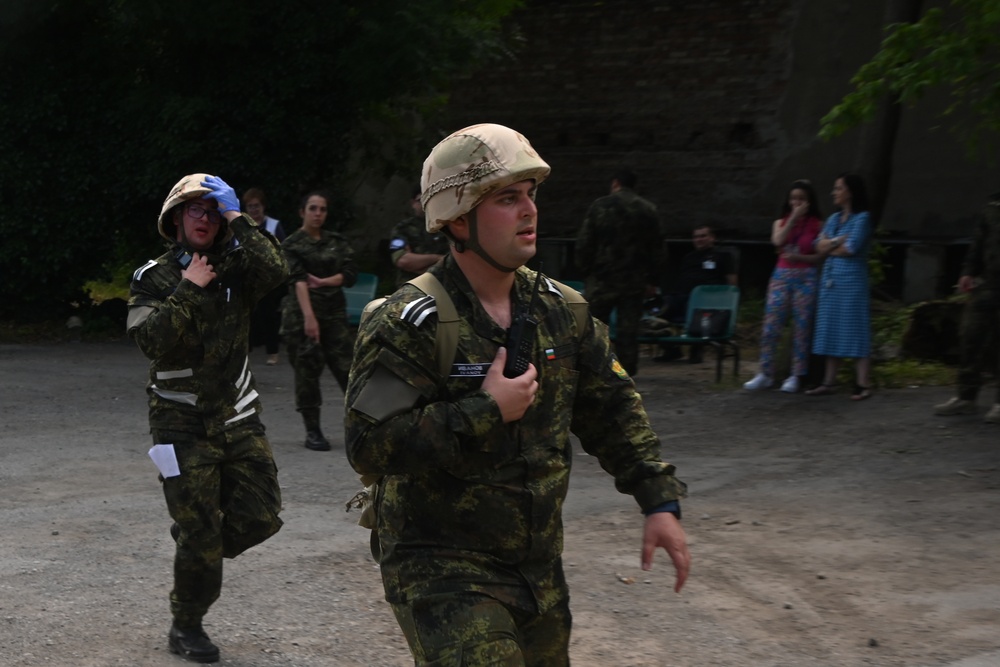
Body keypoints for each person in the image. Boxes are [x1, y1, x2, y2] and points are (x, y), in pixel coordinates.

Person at [345, 123, 690, 666]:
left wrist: (658, 500)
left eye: (530, 195)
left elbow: (612, 409)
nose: (529, 210)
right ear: (457, 217)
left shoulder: (563, 310)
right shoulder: (410, 323)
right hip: (440, 566)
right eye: (507, 198)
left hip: (536, 567)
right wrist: (485, 410)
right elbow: (370, 443)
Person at [127, 174, 286, 663]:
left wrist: (240, 218)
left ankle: (197, 542)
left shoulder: (239, 265)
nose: (204, 217)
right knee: (201, 532)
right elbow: (150, 340)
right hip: (179, 425)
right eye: (194, 209)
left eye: (213, 209)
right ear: (175, 219)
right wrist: (190, 288)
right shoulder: (152, 276)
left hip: (239, 415)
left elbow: (277, 269)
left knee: (260, 517)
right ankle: (187, 622)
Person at [280, 190, 358, 451]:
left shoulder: (336, 241)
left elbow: (350, 273)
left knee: (349, 371)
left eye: (322, 209)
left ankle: (360, 428)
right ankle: (313, 431)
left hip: (335, 314)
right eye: (313, 208)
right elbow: (298, 280)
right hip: (302, 316)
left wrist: (325, 281)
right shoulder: (291, 245)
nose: (318, 214)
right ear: (302, 212)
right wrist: (309, 318)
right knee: (307, 373)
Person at [574, 168, 662, 376]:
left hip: (603, 279)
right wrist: (653, 279)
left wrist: (585, 270)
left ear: (615, 183)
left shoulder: (600, 206)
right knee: (628, 331)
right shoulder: (648, 210)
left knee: (594, 327)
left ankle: (592, 370)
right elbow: (657, 248)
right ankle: (625, 374)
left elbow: (585, 242)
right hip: (634, 281)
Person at [744, 180, 824, 393]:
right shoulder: (781, 221)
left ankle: (796, 375)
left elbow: (820, 256)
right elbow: (777, 241)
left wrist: (800, 257)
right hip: (782, 274)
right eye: (793, 199)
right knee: (771, 324)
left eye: (801, 199)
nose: (796, 203)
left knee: (801, 327)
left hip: (806, 276)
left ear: (809, 202)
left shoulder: (818, 224)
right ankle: (765, 372)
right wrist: (793, 219)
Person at [804, 173, 874, 400]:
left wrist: (830, 246)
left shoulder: (862, 218)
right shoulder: (834, 219)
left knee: (854, 327)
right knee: (831, 328)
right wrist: (836, 242)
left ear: (850, 191)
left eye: (838, 188)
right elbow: (818, 245)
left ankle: (863, 382)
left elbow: (851, 248)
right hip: (830, 282)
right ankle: (829, 381)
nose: (834, 192)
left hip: (851, 282)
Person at [933, 191, 1000, 423]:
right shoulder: (992, 205)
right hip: (989, 283)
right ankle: (966, 396)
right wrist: (968, 271)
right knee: (970, 335)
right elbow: (979, 241)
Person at [655, 225, 737, 363]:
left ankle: (696, 350)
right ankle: (671, 349)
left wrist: (727, 300)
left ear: (712, 238)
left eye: (703, 236)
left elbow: (732, 284)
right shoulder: (688, 257)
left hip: (706, 299)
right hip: (681, 296)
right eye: (696, 237)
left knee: (695, 307)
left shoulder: (723, 256)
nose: (699, 239)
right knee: (657, 308)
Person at [243, 188, 286, 366]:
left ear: (263, 207)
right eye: (250, 206)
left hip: (269, 281)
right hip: (247, 278)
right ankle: (245, 350)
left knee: (270, 316)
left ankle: (273, 352)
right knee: (245, 315)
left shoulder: (274, 225)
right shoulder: (241, 226)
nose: (254, 210)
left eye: (257, 206)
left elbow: (283, 250)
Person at [388, 184, 450, 287]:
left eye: (431, 199)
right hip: (413, 289)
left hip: (447, 287)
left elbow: (459, 262)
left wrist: (420, 264)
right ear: (413, 203)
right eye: (422, 200)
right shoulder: (403, 229)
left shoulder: (448, 227)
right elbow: (403, 260)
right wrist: (438, 258)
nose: (426, 203)